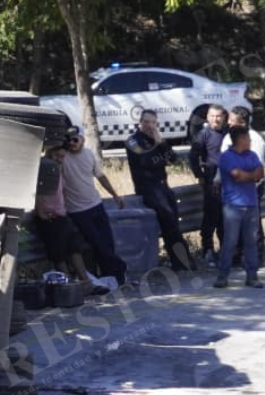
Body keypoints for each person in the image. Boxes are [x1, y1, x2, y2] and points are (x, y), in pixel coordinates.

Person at [125, 110, 197, 272]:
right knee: (169, 224)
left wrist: (161, 143)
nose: (150, 126)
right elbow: (146, 161)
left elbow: (174, 158)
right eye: (146, 122)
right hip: (148, 188)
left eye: (153, 122)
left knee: (173, 225)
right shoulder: (132, 141)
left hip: (164, 186)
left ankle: (179, 263)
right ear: (140, 123)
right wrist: (163, 159)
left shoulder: (157, 139)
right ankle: (184, 261)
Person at [61, 126, 127, 285]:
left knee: (108, 243)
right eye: (69, 140)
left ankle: (112, 277)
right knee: (97, 244)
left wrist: (115, 195)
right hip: (77, 210)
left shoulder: (89, 154)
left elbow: (100, 176)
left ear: (82, 139)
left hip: (96, 205)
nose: (72, 143)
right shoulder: (63, 158)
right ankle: (120, 267)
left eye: (75, 140)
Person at [34, 145, 97, 292]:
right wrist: (41, 211)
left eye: (63, 157)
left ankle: (85, 282)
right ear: (51, 153)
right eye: (58, 156)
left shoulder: (57, 168)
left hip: (61, 214)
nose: (60, 159)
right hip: (50, 216)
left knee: (74, 248)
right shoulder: (44, 167)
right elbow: (37, 190)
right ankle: (69, 287)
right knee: (59, 254)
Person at [213, 126, 265, 289]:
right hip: (233, 206)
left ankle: (252, 276)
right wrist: (252, 175)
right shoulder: (226, 157)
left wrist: (248, 175)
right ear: (240, 140)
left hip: (251, 204)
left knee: (251, 242)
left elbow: (261, 173)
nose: (250, 141)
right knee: (230, 242)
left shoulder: (252, 155)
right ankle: (222, 276)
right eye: (247, 138)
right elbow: (237, 175)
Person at [220, 107, 265, 261]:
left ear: (242, 123)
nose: (228, 122)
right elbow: (223, 161)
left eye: (232, 120)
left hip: (251, 187)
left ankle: (256, 256)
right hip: (231, 189)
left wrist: (247, 178)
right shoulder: (228, 138)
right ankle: (236, 255)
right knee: (233, 223)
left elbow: (257, 167)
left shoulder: (254, 139)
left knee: (252, 224)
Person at [188, 105, 229, 266]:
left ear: (224, 117)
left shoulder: (228, 133)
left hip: (229, 178)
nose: (215, 119)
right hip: (211, 178)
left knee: (225, 217)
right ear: (207, 117)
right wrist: (199, 175)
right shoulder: (203, 134)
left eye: (218, 116)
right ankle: (207, 250)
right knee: (211, 216)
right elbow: (193, 156)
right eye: (212, 116)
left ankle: (226, 250)